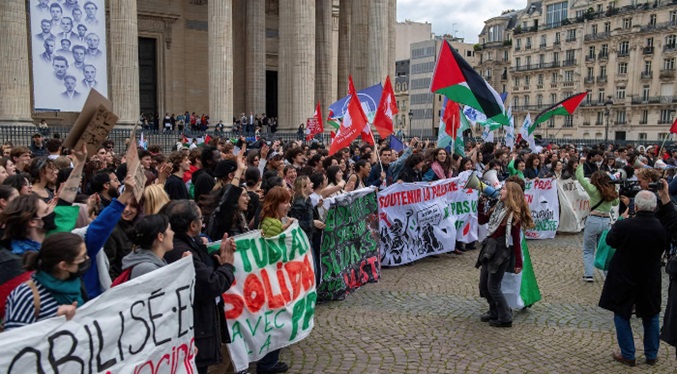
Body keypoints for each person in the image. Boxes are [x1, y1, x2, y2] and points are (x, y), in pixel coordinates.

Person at [160, 200, 236, 374]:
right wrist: (227, 266)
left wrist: (217, 255)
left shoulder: (188, 243)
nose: (203, 223)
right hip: (196, 329)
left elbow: (203, 268)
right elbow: (209, 284)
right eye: (201, 219)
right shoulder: (181, 251)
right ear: (193, 225)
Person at [599, 191, 665, 367]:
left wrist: (620, 220)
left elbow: (610, 240)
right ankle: (651, 354)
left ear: (635, 207)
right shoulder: (660, 227)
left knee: (621, 313)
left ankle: (628, 354)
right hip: (649, 275)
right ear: (654, 207)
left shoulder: (625, 226)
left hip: (624, 274)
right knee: (651, 314)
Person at [476, 182, 534, 328]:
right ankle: (494, 310)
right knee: (484, 286)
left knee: (493, 286)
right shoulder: (498, 208)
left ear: (511, 193)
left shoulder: (513, 215)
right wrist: (481, 205)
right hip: (490, 248)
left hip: (501, 252)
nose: (500, 191)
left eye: (503, 189)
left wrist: (518, 263)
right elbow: (482, 220)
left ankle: (505, 317)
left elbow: (515, 240)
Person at [3, 233, 86, 330]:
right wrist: (56, 322)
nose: (86, 259)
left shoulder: (74, 283)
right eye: (82, 257)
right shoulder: (25, 295)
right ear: (63, 266)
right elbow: (15, 340)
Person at [575, 161, 619, 282]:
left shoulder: (593, 190)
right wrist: (615, 188)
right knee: (604, 248)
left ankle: (589, 274)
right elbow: (616, 202)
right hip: (606, 221)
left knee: (588, 249)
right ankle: (607, 274)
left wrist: (580, 165)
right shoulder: (610, 191)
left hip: (593, 219)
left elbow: (580, 179)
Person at [120, 215, 175, 280]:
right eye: (170, 229)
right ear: (160, 236)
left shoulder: (147, 261)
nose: (173, 233)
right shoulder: (148, 269)